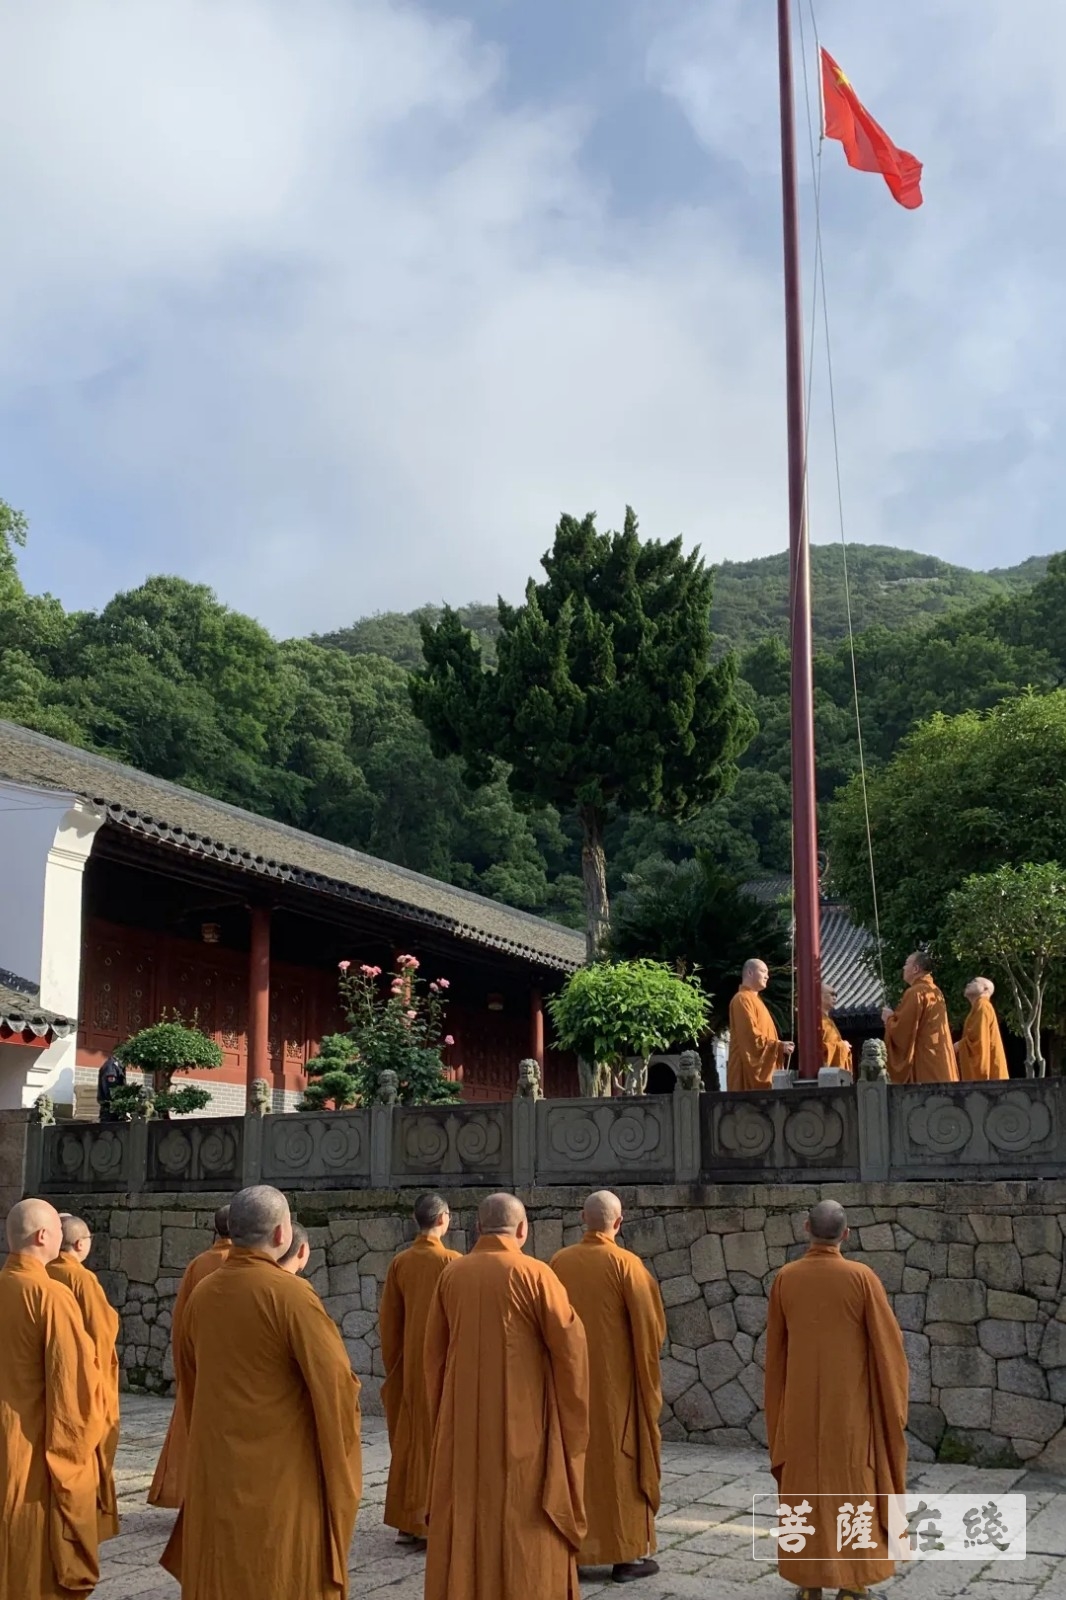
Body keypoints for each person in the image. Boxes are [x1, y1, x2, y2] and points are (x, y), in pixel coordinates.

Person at [160, 1185, 363, 1600]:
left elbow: (189, 1379)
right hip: (281, 1477)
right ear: (281, 1234)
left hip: (217, 1470)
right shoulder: (291, 1294)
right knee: (278, 1573)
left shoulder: (203, 1293)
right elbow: (337, 1385)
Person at [423, 1193, 589, 1600]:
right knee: (524, 1519)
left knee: (468, 1514)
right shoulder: (537, 1275)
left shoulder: (451, 1276)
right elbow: (571, 1353)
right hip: (525, 1428)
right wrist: (568, 1424)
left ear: (478, 1228)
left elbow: (433, 1358)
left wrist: (444, 1420)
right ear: (522, 1229)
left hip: (463, 1429)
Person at [764, 1199, 908, 1599]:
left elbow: (776, 1353)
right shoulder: (862, 1278)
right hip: (850, 1411)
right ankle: (852, 1582)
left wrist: (778, 1411)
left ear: (806, 1228)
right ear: (846, 1234)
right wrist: (891, 1405)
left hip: (800, 1410)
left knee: (804, 1490)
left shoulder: (786, 1279)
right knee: (852, 1488)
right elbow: (888, 1349)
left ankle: (809, 1584)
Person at [550, 1191, 666, 1585]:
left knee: (574, 1463)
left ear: (583, 1218)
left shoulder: (559, 1263)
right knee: (619, 1466)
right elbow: (651, 1332)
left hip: (569, 1388)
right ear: (618, 1222)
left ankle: (574, 1549)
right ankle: (625, 1555)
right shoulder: (627, 1265)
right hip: (617, 1392)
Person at [0, 1198, 105, 1600]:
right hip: (29, 1453)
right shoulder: (50, 1296)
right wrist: (75, 1460)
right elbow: (72, 1392)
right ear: (44, 1236)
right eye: (59, 1231)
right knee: (29, 1559)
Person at [379, 1193, 460, 1546]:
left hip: (412, 1365)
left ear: (417, 1220)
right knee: (442, 1441)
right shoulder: (452, 1262)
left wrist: (398, 1365)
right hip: (446, 1366)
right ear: (443, 1219)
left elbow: (389, 1323)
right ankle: (437, 1520)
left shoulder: (401, 1263)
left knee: (411, 1441)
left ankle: (408, 1522)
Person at [148, 1202, 232, 1508]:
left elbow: (181, 1323)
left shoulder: (198, 1265)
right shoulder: (251, 1267)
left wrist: (184, 1368)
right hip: (240, 1367)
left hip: (201, 1361)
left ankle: (191, 1493)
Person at [47, 1214, 121, 1541]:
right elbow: (102, 1332)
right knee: (91, 1448)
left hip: (51, 1376)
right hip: (83, 1377)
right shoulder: (81, 1278)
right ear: (80, 1244)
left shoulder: (44, 1272)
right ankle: (90, 1513)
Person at [882, 952, 959, 1084]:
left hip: (926, 1063)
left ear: (916, 969)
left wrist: (889, 1019)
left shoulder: (916, 992)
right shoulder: (935, 991)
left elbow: (903, 1030)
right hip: (939, 1059)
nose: (903, 968)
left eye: (906, 964)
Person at [727, 959, 794, 1091]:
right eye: (763, 971)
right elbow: (749, 1037)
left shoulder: (756, 1001)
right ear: (750, 972)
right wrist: (777, 1046)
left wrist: (777, 1045)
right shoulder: (742, 999)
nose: (767, 976)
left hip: (766, 1073)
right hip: (745, 1074)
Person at [956, 977, 1010, 1082]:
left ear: (985, 989)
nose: (968, 984)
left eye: (974, 982)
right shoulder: (979, 1007)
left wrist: (957, 1046)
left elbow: (977, 1041)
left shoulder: (983, 1006)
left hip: (989, 1076)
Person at [820, 985, 852, 1072]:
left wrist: (842, 1045)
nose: (835, 998)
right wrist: (843, 1045)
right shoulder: (816, 1020)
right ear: (819, 996)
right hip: (824, 1071)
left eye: (836, 995)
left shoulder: (828, 1021)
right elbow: (817, 1048)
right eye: (831, 994)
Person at [96, 1053, 126, 1121]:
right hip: (110, 1109)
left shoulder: (117, 1066)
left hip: (114, 1108)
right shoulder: (111, 1067)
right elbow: (111, 1089)